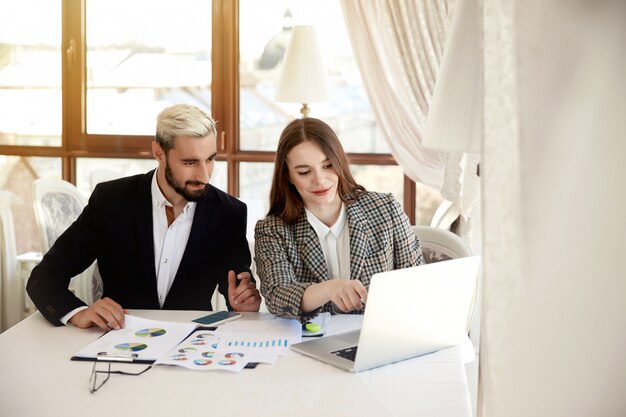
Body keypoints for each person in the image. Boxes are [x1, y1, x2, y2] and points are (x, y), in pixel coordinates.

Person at [27, 104, 261, 330]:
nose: (204, 175)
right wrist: (78, 313)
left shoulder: (229, 213)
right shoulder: (111, 201)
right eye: (190, 162)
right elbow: (43, 278)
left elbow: (238, 294)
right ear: (159, 153)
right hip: (118, 344)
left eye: (210, 159)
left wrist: (244, 302)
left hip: (192, 350)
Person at [254, 117, 422, 322]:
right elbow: (277, 296)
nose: (320, 179)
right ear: (288, 176)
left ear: (340, 162)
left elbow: (415, 280)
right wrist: (330, 289)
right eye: (304, 172)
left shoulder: (385, 208)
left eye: (327, 165)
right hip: (309, 342)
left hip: (380, 333)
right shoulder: (272, 229)